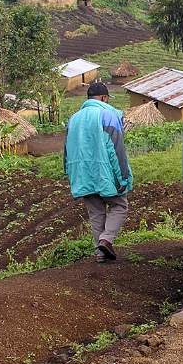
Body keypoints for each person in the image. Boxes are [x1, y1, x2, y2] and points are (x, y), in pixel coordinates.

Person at [64, 82, 133, 263]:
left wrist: (70, 173)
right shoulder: (108, 115)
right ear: (104, 98)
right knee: (119, 206)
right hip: (105, 173)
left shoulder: (74, 119)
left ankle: (101, 254)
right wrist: (123, 177)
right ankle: (106, 239)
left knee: (96, 214)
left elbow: (67, 150)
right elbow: (116, 150)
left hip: (81, 174)